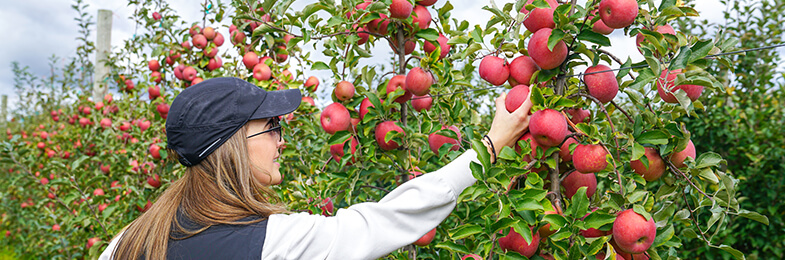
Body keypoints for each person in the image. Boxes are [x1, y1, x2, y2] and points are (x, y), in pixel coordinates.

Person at [99, 77, 532, 260]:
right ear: (231, 145)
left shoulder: (126, 243)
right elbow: (387, 221)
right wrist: (489, 146)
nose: (281, 140)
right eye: (270, 127)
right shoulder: (270, 243)